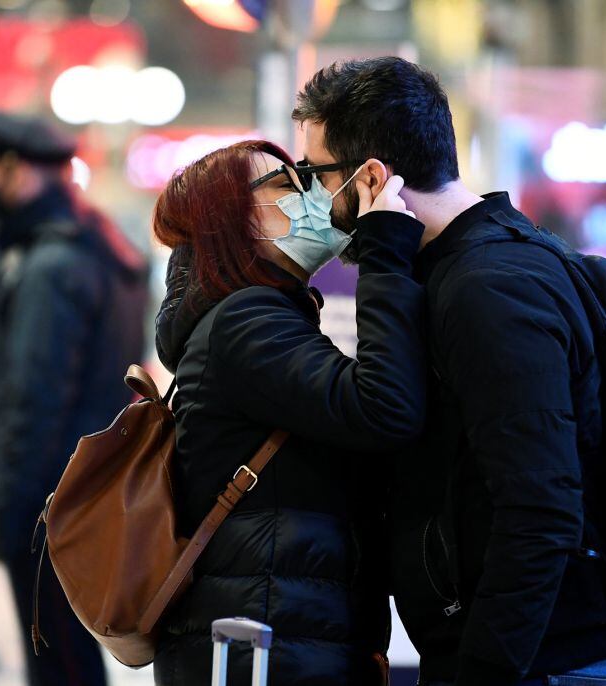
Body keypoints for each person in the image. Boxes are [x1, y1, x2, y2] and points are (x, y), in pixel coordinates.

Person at [291, 57, 606, 685]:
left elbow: (541, 504)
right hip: (514, 647)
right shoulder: (472, 261)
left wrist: (481, 668)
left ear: (370, 177)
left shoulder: (487, 290)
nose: (313, 197)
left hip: (531, 658)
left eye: (318, 174)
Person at [151, 139, 426, 685]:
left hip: (274, 629)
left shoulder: (249, 314)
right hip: (263, 642)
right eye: (284, 184)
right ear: (230, 221)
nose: (308, 195)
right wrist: (384, 249)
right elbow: (382, 407)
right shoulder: (246, 320)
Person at [0, 111, 147, 686]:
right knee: (68, 649)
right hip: (83, 490)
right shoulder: (103, 249)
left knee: (55, 658)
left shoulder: (52, 266)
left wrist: (9, 512)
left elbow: (33, 399)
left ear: (18, 172)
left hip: (46, 500)